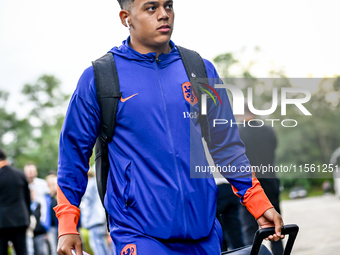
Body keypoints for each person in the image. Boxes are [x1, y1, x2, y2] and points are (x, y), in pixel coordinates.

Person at [54, 1, 285, 255]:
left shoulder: (200, 69)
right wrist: (67, 225)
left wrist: (259, 204)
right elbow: (73, 154)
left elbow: (226, 145)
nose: (164, 15)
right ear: (126, 17)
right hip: (139, 233)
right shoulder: (99, 78)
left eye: (168, 6)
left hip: (204, 230)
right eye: (151, 8)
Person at [237, 104, 284, 255]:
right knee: (275, 225)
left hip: (250, 184)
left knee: (249, 228)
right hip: (270, 180)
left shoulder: (238, 133)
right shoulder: (268, 130)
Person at [0, 148, 31, 255]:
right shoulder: (20, 174)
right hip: (20, 220)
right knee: (22, 251)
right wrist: (28, 216)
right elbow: (27, 199)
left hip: (1, 222)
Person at [80, 169, 112, 255]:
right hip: (100, 220)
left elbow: (86, 205)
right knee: (104, 246)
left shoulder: (91, 185)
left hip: (95, 220)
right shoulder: (98, 183)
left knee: (98, 247)